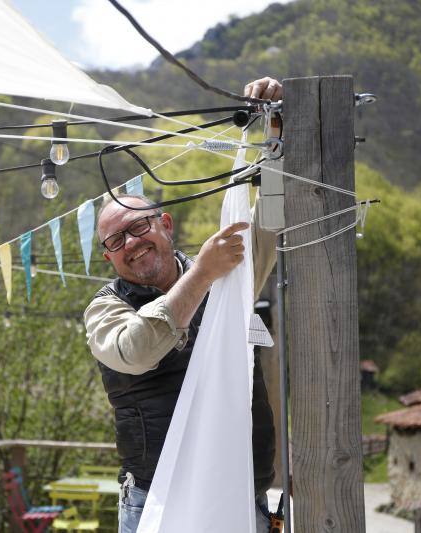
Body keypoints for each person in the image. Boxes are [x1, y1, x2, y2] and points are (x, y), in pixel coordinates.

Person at [83, 78, 283, 533]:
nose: (131, 244)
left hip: (239, 493)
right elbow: (135, 351)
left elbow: (270, 220)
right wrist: (203, 274)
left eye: (138, 228)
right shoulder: (105, 308)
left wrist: (275, 135)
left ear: (165, 223)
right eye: (116, 240)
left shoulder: (227, 272)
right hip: (158, 498)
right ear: (108, 256)